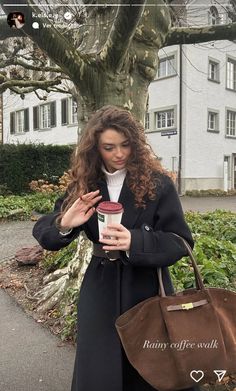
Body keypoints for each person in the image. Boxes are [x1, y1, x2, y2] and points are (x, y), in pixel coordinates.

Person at [33, 105, 199, 391]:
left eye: (125, 145)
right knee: (100, 370)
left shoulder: (158, 184)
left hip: (146, 289)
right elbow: (45, 232)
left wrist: (136, 241)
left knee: (150, 370)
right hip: (100, 290)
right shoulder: (85, 184)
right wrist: (65, 223)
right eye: (109, 147)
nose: (119, 154)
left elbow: (180, 241)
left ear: (135, 144)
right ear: (96, 148)